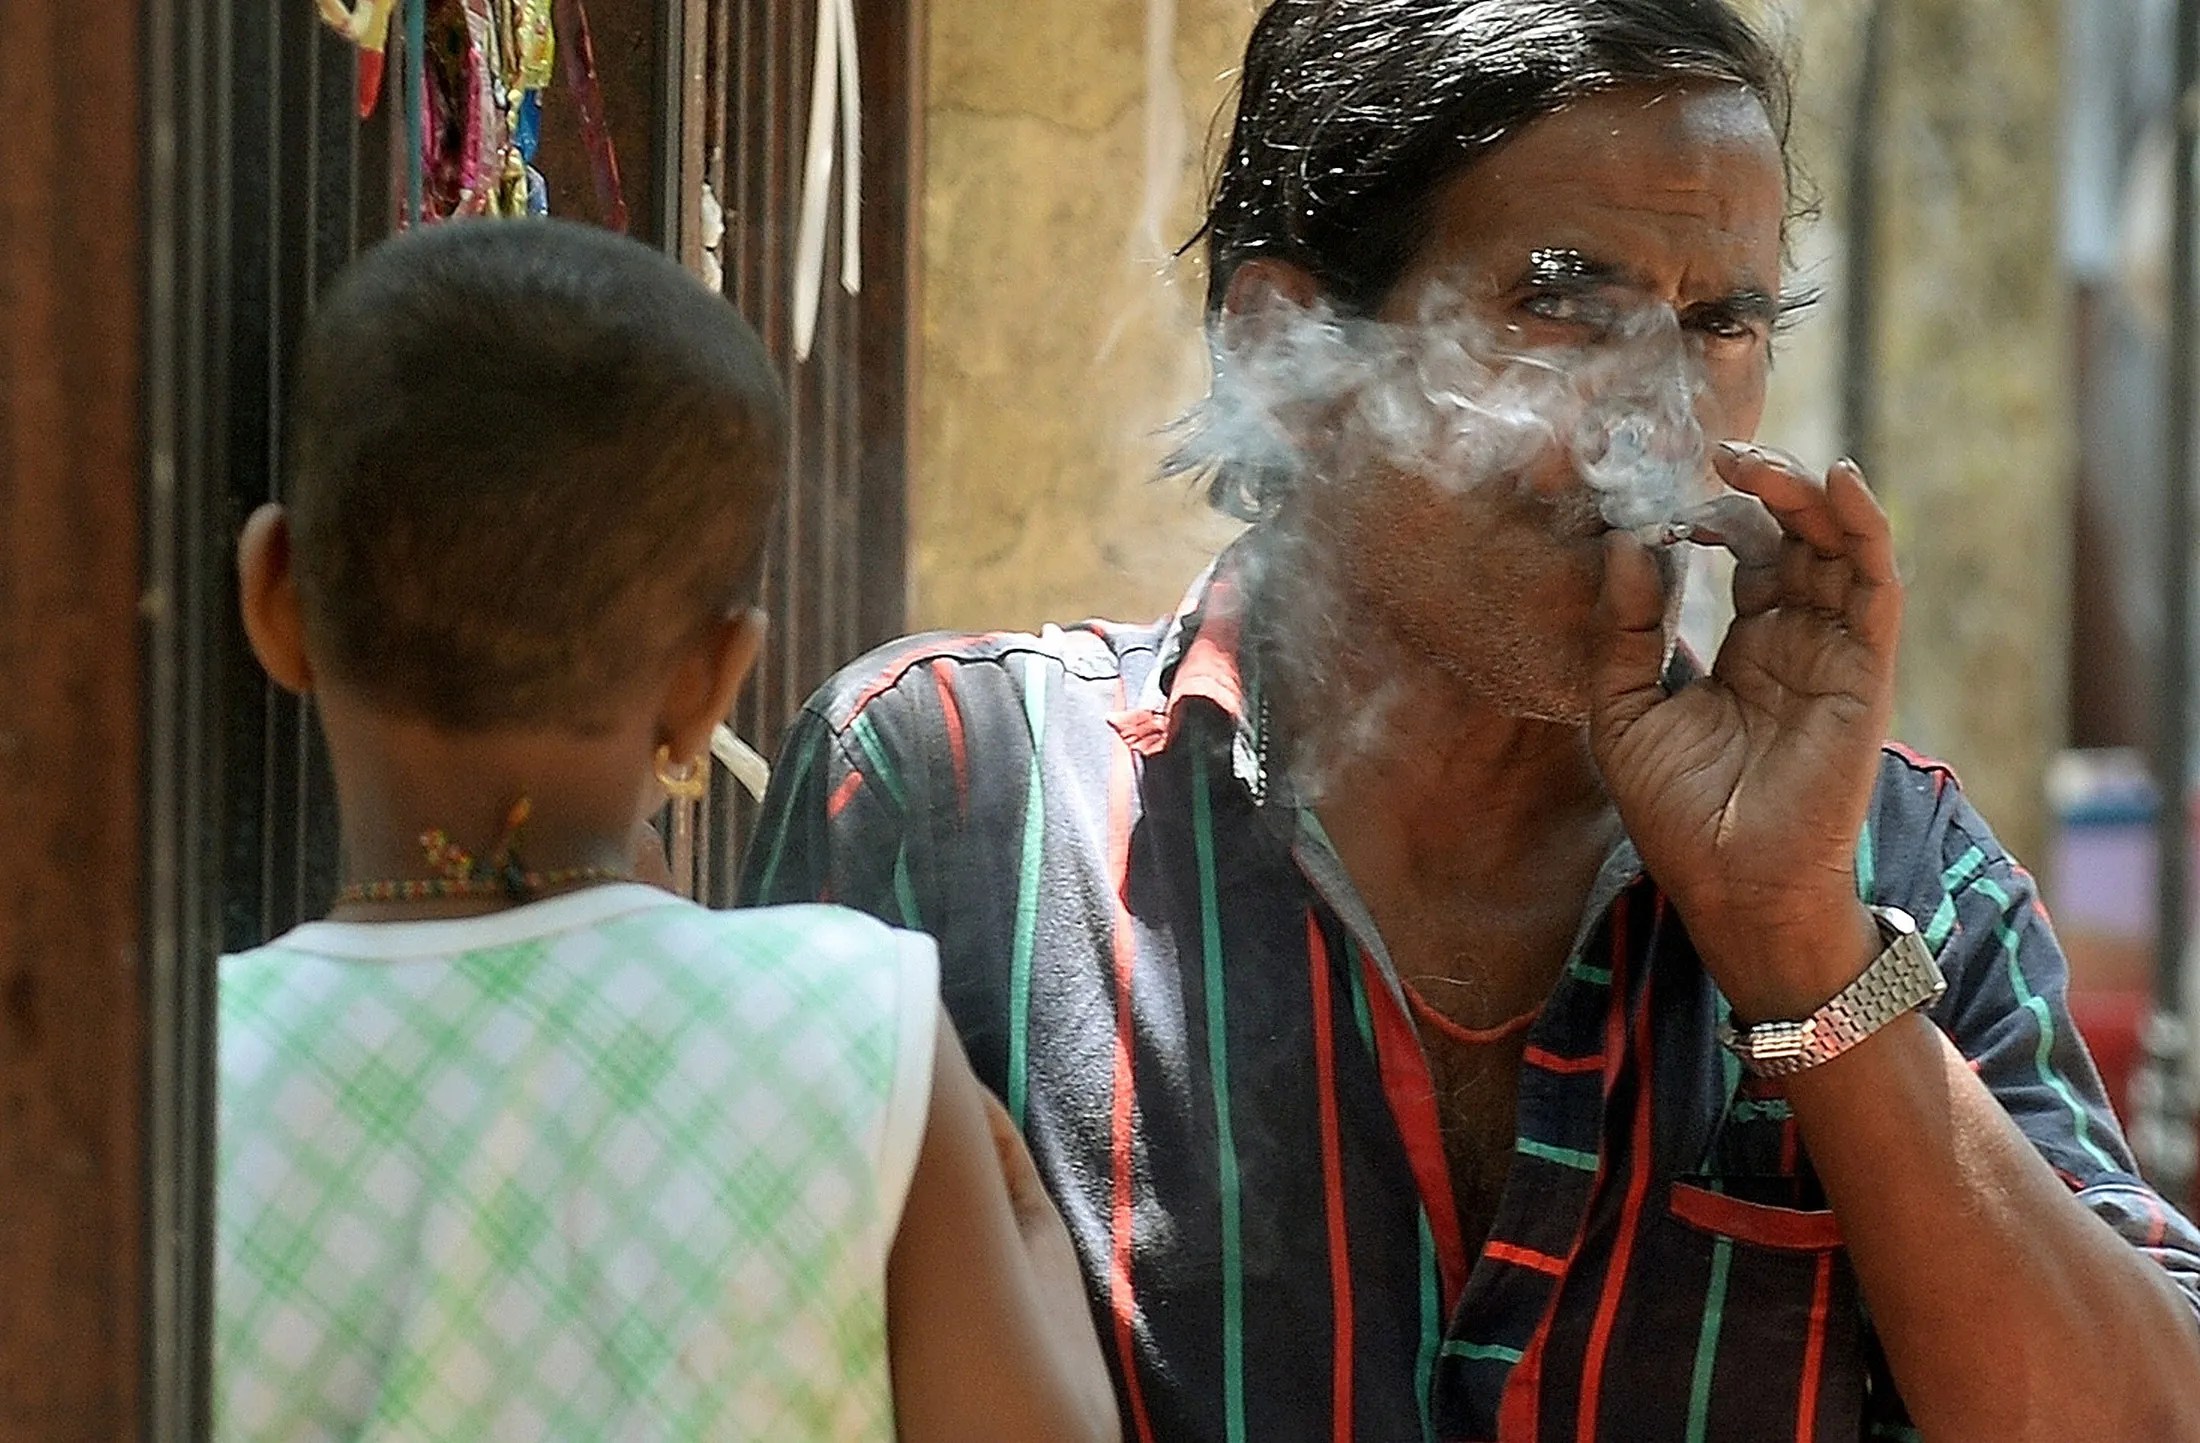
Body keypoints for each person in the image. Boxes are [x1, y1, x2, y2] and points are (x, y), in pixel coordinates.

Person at [739, 1, 2200, 1439]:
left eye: (1721, 321)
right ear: (1282, 356)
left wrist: (1796, 946)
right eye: (1564, 303)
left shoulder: (1893, 867)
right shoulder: (955, 800)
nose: (1659, 425)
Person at [215, 218, 1119, 1443]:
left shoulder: (174, 1078)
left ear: (275, 600)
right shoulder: (850, 1025)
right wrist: (1026, 1230)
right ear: (710, 682)